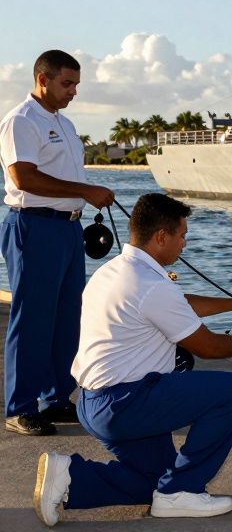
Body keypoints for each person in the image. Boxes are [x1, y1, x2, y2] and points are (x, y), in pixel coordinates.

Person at [32, 193, 232, 525]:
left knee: (154, 482)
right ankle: (182, 491)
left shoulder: (116, 270)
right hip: (125, 403)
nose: (184, 244)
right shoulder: (149, 284)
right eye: (182, 235)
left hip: (93, 404)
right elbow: (207, 347)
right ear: (161, 236)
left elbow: (178, 303)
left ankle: (70, 476)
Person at [1, 50, 115, 437]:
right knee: (33, 318)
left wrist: (85, 198)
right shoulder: (21, 120)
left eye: (76, 85)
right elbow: (23, 178)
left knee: (67, 318)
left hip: (67, 228)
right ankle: (19, 407)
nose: (73, 91)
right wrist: (86, 189)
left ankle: (56, 398)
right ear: (42, 79)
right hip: (34, 225)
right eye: (67, 83)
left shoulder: (63, 123)